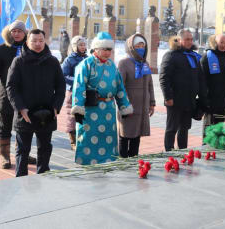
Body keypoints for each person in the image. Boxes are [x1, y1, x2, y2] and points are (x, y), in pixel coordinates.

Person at [6, 29, 66, 177]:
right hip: (25, 114)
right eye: (34, 41)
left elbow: (60, 86)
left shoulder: (52, 61)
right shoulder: (18, 61)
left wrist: (56, 106)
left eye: (41, 40)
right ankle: (20, 178)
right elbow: (11, 87)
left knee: (45, 148)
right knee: (22, 150)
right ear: (27, 42)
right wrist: (20, 108)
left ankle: (43, 177)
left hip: (47, 113)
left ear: (45, 41)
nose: (38, 44)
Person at [71, 32, 133, 165]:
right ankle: (88, 165)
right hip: (90, 110)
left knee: (107, 140)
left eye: (109, 49)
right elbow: (79, 87)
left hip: (108, 111)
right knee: (89, 139)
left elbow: (120, 87)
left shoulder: (112, 65)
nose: (107, 52)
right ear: (96, 49)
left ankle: (108, 163)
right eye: (104, 49)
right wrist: (78, 109)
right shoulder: (85, 65)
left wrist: (124, 106)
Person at [0, 20, 36, 169]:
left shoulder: (30, 48)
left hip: (27, 97)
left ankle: (22, 152)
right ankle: (4, 155)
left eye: (19, 31)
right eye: (13, 31)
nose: (16, 34)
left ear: (25, 33)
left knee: (24, 127)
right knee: (5, 125)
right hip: (7, 95)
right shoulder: (2, 49)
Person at [159, 29, 206, 151]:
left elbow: (200, 79)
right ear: (179, 40)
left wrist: (201, 99)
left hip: (189, 100)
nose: (190, 42)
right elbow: (164, 78)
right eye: (187, 39)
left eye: (191, 39)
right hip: (174, 100)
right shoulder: (171, 55)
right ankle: (169, 153)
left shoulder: (194, 56)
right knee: (172, 128)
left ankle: (182, 151)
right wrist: (168, 97)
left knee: (184, 128)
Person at [116, 34, 155, 158]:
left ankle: (133, 159)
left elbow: (150, 85)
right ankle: (122, 160)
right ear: (131, 47)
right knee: (125, 134)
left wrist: (152, 103)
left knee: (137, 135)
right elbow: (119, 86)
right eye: (137, 45)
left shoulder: (145, 64)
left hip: (142, 106)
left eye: (142, 45)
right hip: (128, 106)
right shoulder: (124, 63)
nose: (140, 48)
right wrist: (125, 105)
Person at [61, 36, 87, 150]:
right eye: (80, 45)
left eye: (84, 44)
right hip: (73, 92)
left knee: (84, 115)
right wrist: (78, 82)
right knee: (72, 117)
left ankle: (82, 139)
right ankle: (73, 142)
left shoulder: (87, 58)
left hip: (85, 92)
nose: (83, 47)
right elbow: (64, 75)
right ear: (74, 46)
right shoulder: (69, 59)